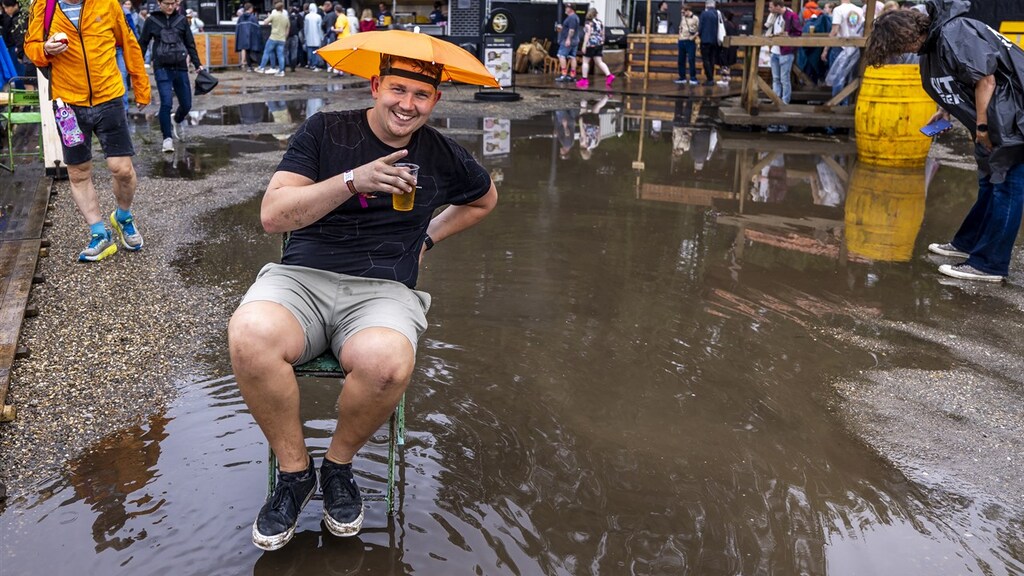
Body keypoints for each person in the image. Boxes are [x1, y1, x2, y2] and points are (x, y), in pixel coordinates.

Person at [228, 53, 498, 551]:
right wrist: (353, 180)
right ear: (376, 86)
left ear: (435, 100)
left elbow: (484, 200)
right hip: (303, 278)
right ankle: (294, 473)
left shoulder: (440, 152)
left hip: (384, 290)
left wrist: (429, 239)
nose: (407, 104)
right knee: (249, 335)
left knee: (388, 363)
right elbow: (273, 216)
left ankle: (337, 467)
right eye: (398, 89)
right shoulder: (326, 130)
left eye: (421, 95)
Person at [865, 0, 1024, 282]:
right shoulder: (932, 46)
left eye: (899, 47)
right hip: (997, 118)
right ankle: (968, 244)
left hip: (1014, 117)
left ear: (907, 35)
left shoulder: (954, 31)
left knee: (1007, 186)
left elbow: (986, 79)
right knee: (989, 182)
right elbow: (956, 79)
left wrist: (983, 126)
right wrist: (944, 111)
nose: (902, 53)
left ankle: (990, 265)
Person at [24, 0, 150, 262]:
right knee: (79, 172)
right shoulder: (44, 6)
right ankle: (99, 234)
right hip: (68, 104)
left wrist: (141, 86)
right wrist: (45, 49)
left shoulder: (107, 4)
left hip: (109, 98)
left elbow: (128, 42)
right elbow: (31, 48)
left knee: (122, 169)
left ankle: (123, 217)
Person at [139, 0, 204, 153]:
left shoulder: (181, 20)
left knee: (187, 104)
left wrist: (197, 63)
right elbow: (142, 43)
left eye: (173, 3)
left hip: (180, 66)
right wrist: (136, 67)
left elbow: (190, 43)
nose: (170, 7)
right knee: (166, 103)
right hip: (162, 67)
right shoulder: (151, 21)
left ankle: (177, 119)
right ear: (159, 2)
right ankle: (167, 139)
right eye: (166, 3)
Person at [765, 0, 801, 131]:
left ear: (778, 6)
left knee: (784, 78)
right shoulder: (775, 16)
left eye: (771, 6)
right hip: (775, 50)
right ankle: (776, 99)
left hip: (785, 51)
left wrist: (788, 35)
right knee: (776, 78)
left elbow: (798, 32)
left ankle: (784, 102)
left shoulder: (791, 15)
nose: (769, 9)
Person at [824, 0, 863, 105]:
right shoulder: (859, 10)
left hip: (840, 46)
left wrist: (825, 49)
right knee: (849, 78)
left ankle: (836, 104)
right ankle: (846, 103)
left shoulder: (838, 10)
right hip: (854, 47)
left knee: (837, 78)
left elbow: (835, 30)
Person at [576, 7, 614, 89]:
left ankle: (584, 80)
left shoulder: (588, 23)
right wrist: (602, 42)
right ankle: (609, 75)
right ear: (596, 14)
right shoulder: (600, 23)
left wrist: (584, 45)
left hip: (590, 44)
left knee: (585, 62)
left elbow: (587, 34)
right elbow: (603, 34)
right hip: (599, 44)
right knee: (599, 62)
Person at [256, 1, 289, 75]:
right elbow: (288, 28)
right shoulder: (286, 17)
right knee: (280, 55)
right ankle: (281, 71)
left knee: (267, 52)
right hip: (282, 39)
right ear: (282, 8)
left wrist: (269, 17)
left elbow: (265, 22)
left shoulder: (273, 15)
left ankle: (262, 67)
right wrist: (285, 37)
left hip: (273, 37)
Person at [0, 0, 25, 87]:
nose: (6, 10)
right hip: (11, 46)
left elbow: (18, 36)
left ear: (14, 6)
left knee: (19, 71)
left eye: (6, 7)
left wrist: (19, 52)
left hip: (15, 47)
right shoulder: (8, 17)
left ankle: (21, 90)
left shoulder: (18, 19)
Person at [697, 0, 721, 86]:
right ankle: (711, 78)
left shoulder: (704, 14)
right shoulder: (718, 14)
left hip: (705, 40)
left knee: (706, 60)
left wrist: (699, 35)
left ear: (706, 5)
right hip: (714, 41)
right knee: (712, 59)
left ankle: (710, 79)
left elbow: (700, 28)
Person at [675, 4, 699, 85]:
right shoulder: (683, 18)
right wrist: (679, 37)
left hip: (690, 41)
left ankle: (693, 77)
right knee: (681, 60)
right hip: (682, 40)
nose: (682, 14)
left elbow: (699, 30)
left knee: (691, 59)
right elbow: (680, 27)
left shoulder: (695, 18)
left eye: (683, 12)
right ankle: (682, 77)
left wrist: (694, 37)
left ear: (688, 11)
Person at [555, 3, 579, 82]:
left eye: (567, 7)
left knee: (561, 55)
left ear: (571, 9)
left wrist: (568, 39)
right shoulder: (575, 17)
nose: (565, 9)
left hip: (568, 41)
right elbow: (569, 29)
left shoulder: (571, 18)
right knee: (572, 57)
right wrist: (562, 28)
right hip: (575, 40)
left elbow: (571, 30)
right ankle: (572, 75)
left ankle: (564, 75)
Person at [235, 2, 262, 71]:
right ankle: (260, 66)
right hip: (253, 37)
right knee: (257, 51)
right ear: (250, 9)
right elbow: (257, 28)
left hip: (243, 38)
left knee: (247, 51)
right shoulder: (253, 18)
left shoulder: (240, 18)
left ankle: (249, 67)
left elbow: (237, 29)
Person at [303, 2, 323, 70]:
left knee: (309, 50)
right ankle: (315, 64)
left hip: (308, 36)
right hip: (317, 36)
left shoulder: (307, 16)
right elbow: (320, 28)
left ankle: (310, 63)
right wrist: (321, 36)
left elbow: (305, 27)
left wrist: (305, 36)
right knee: (315, 51)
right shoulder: (318, 16)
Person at [286, 3, 304, 71]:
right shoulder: (299, 16)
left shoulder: (287, 16)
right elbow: (301, 26)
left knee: (286, 51)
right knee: (294, 51)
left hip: (287, 36)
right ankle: (293, 67)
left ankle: (285, 65)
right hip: (295, 35)